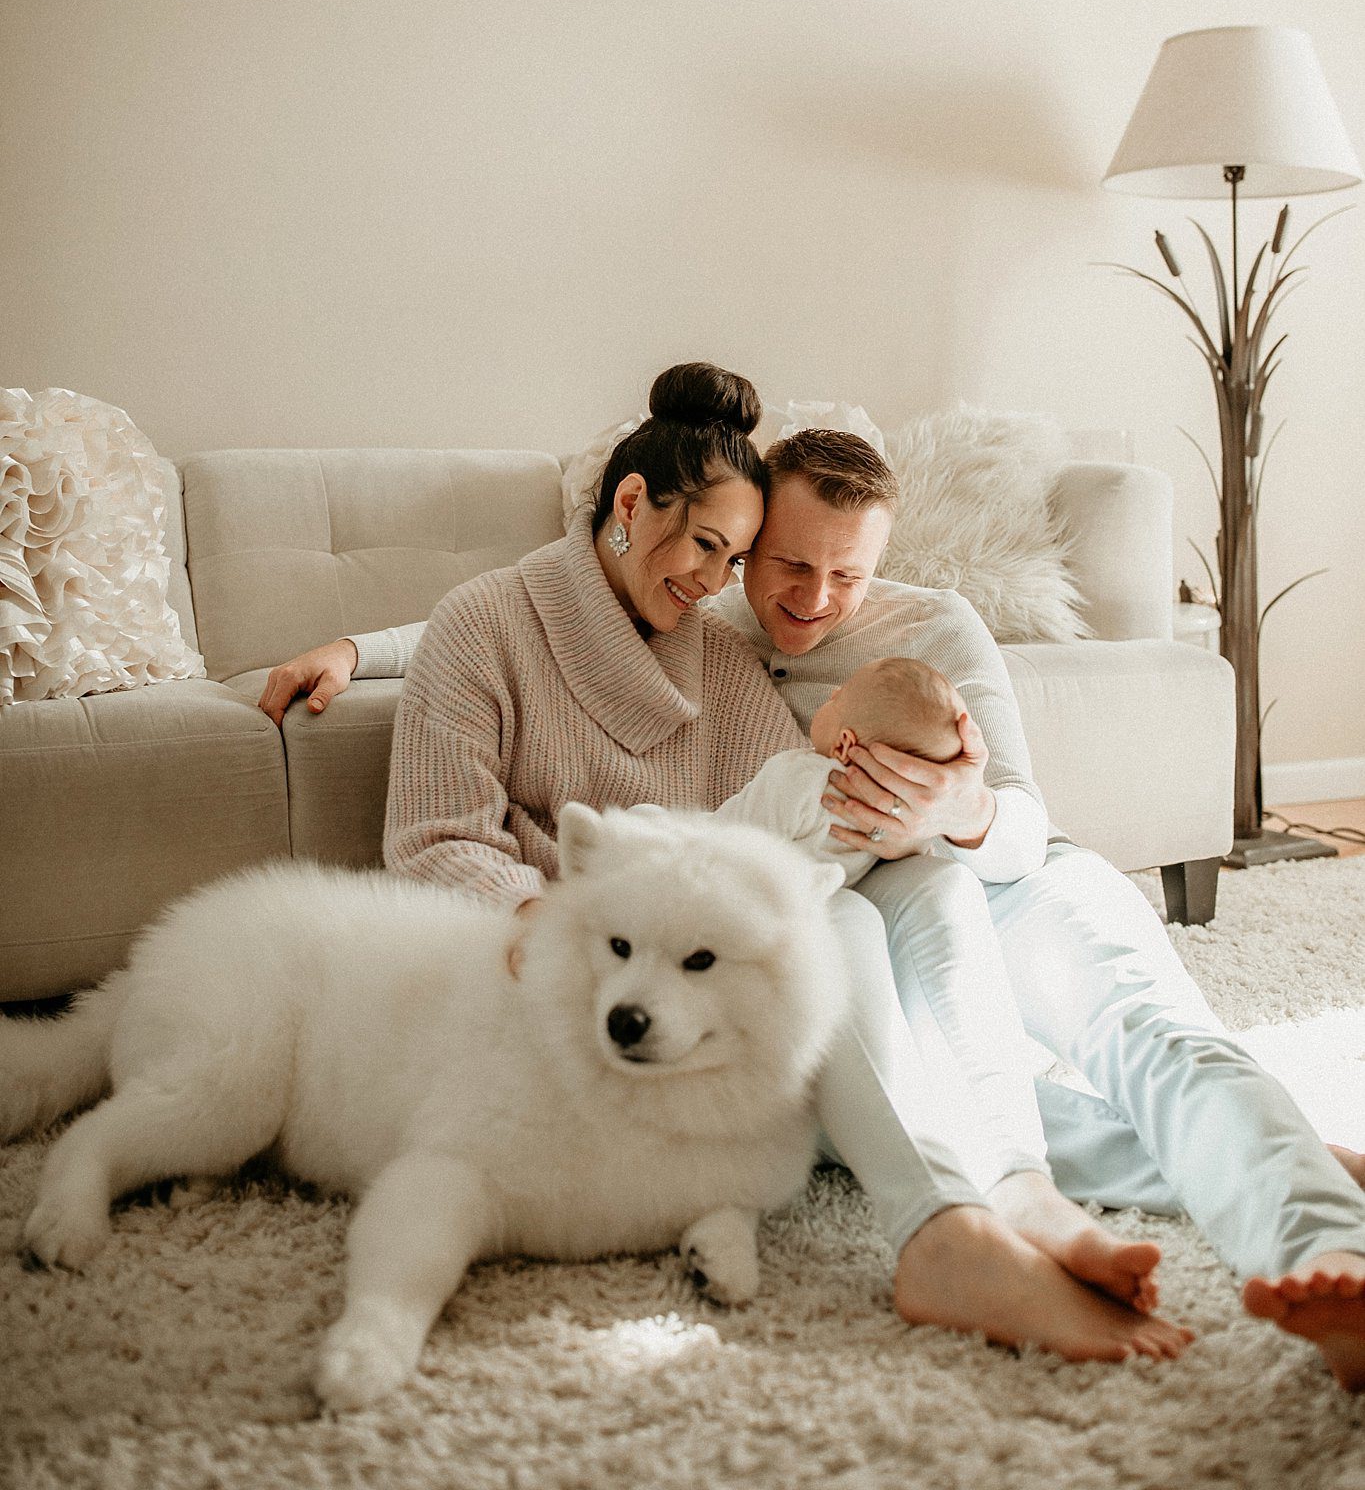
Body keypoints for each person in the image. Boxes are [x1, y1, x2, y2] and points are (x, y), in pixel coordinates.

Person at [261, 362, 1188, 1364]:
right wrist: (535, 908)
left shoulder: (722, 656)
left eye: (734, 557)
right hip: (579, 977)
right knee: (853, 1015)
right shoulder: (482, 624)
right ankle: (987, 1216)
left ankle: (1139, 1168)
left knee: (858, 961)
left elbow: (780, 826)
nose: (715, 583)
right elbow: (438, 834)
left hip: (706, 993)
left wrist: (903, 811)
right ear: (629, 505)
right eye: (707, 546)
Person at [716, 426, 1365, 1392]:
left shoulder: (935, 626)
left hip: (1013, 875)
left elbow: (1021, 818)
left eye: (846, 575)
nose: (814, 598)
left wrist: (961, 809)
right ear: (751, 540)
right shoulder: (702, 634)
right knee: (932, 1094)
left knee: (1153, 1031)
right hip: (877, 914)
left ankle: (1328, 1253)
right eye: (790, 566)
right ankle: (1284, 1159)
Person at [713, 655, 964, 886]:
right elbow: (918, 861)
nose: (832, 693)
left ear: (844, 745)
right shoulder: (893, 822)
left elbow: (744, 841)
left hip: (723, 868)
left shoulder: (801, 776)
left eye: (837, 699)